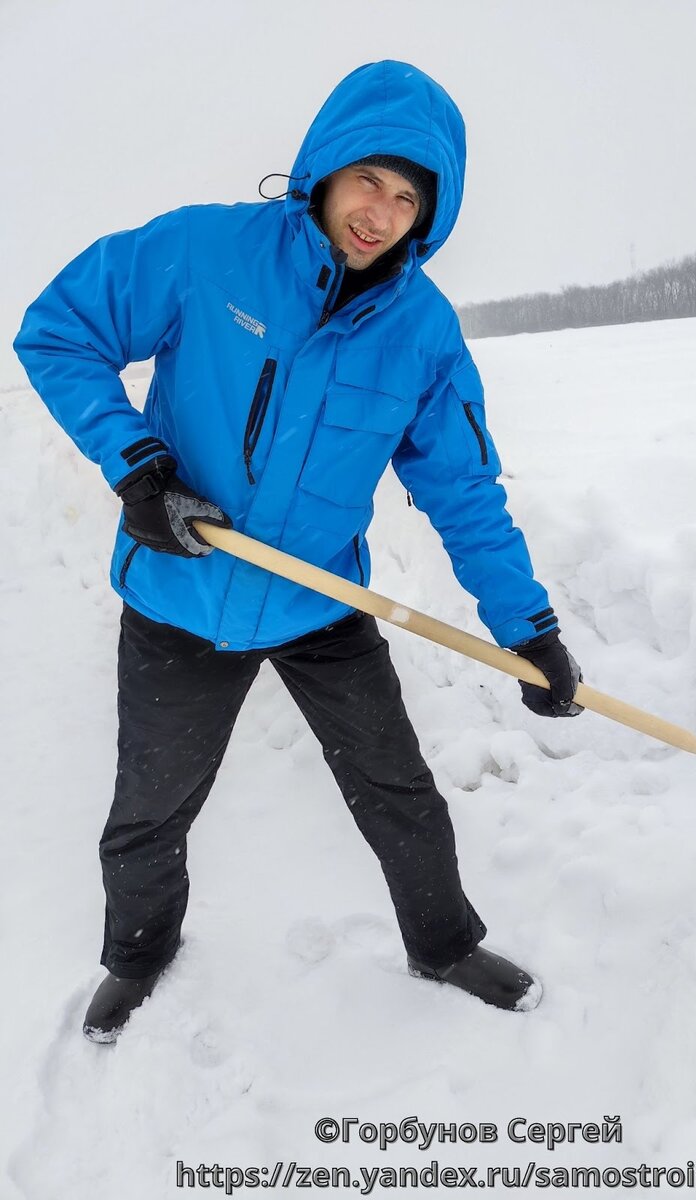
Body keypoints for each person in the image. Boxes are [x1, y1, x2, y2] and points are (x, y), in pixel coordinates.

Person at [14, 60, 582, 1044]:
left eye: (410, 199)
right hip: (182, 591)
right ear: (324, 166)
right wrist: (137, 467)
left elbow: (464, 493)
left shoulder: (421, 334)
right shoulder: (207, 253)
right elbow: (57, 331)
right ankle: (138, 952)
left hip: (318, 602)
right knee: (151, 806)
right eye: (370, 179)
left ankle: (442, 942)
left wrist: (526, 627)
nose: (381, 212)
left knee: (398, 788)